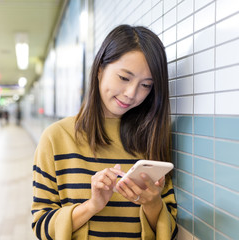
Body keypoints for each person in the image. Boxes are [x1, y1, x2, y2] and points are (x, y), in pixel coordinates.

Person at [31, 24, 177, 239]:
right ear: (100, 70)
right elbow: (41, 225)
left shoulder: (151, 137)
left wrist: (152, 203)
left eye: (146, 85)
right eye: (124, 78)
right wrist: (92, 205)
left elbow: (171, 229)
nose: (131, 93)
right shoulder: (56, 137)